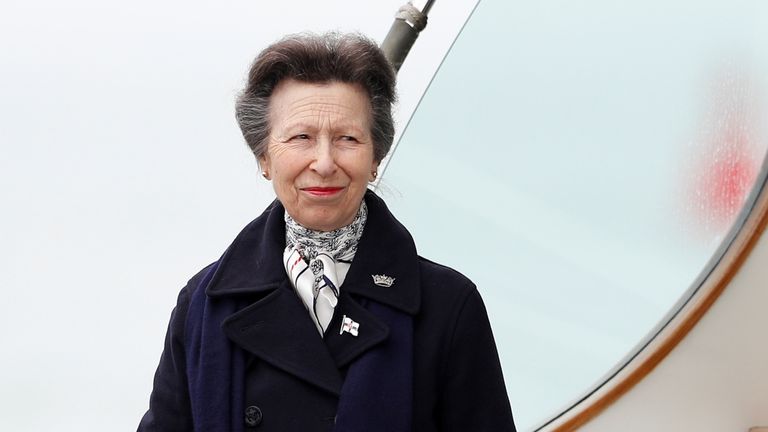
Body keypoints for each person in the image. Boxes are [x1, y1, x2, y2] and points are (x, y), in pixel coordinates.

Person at [138, 32, 515, 432]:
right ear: (264, 156)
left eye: (347, 139)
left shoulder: (447, 305)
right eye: (301, 137)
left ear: (376, 157)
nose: (324, 162)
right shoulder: (204, 303)